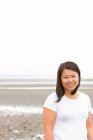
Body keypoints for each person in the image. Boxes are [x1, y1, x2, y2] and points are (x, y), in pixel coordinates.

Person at [43, 61, 93, 140]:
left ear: (78, 77)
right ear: (60, 79)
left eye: (73, 76)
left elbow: (89, 127)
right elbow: (48, 130)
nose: (70, 80)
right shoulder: (52, 99)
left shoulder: (85, 98)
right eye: (66, 77)